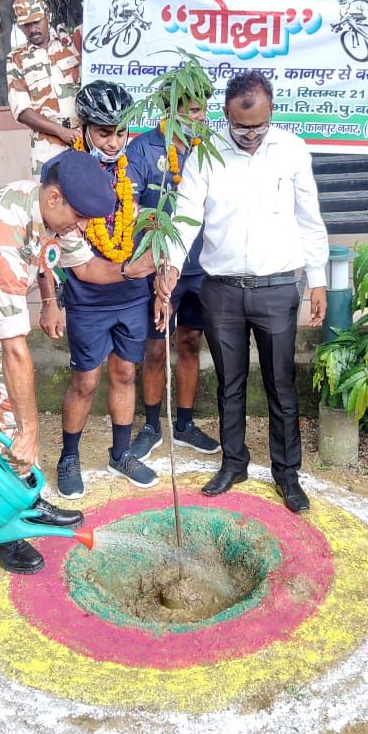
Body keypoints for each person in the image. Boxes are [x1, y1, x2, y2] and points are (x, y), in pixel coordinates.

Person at [0, 150, 154, 575]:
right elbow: (17, 349)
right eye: (78, 218)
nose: (82, 228)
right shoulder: (1, 232)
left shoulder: (55, 214)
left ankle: (26, 502)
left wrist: (134, 270)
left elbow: (89, 268)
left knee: (5, 418)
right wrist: (32, 430)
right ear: (54, 198)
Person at [155, 70, 328, 512]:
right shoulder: (205, 155)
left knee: (281, 385)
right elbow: (188, 216)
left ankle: (287, 474)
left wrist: (319, 279)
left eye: (258, 125)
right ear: (225, 115)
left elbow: (309, 217)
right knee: (230, 384)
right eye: (240, 126)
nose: (249, 135)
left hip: (276, 289)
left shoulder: (291, 150)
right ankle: (234, 463)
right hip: (222, 292)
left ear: (272, 113)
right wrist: (171, 265)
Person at [52, 82, 158, 498]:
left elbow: (153, 221)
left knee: (125, 372)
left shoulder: (137, 165)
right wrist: (49, 298)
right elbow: (47, 241)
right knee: (86, 381)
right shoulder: (61, 169)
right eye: (103, 132)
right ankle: (69, 457)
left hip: (133, 296)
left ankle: (120, 453)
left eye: (120, 131)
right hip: (87, 296)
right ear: (83, 127)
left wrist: (160, 280)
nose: (113, 142)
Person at [127, 74, 220, 459]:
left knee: (190, 343)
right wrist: (155, 249)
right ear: (170, 110)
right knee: (154, 347)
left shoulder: (210, 148)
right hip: (157, 266)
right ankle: (151, 425)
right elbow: (129, 209)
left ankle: (183, 424)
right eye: (192, 110)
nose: (200, 117)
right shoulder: (144, 150)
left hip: (200, 266)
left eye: (204, 109)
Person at [6, 0, 82, 179]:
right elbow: (22, 111)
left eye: (36, 21)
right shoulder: (16, 59)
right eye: (26, 25)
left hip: (83, 137)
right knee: (49, 201)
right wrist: (61, 132)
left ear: (48, 15)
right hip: (47, 146)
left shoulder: (71, 43)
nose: (32, 29)